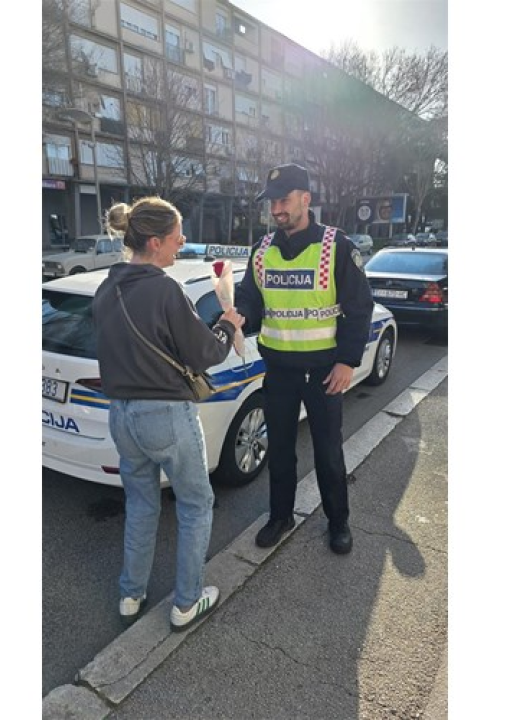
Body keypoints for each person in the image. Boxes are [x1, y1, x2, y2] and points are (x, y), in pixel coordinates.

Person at [92, 196, 245, 631]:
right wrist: (228, 323)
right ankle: (187, 601)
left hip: (121, 415)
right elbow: (205, 353)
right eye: (177, 238)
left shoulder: (106, 288)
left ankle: (130, 593)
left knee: (141, 504)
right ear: (155, 242)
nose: (182, 244)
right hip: (165, 413)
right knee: (196, 503)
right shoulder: (163, 288)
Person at [236, 164, 374, 554]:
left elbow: (360, 307)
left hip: (324, 372)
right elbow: (252, 300)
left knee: (328, 452)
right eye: (272, 202)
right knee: (278, 451)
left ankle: (338, 522)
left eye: (283, 200)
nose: (276, 209)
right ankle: (280, 516)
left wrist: (348, 361)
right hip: (279, 371)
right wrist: (239, 315)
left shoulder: (336, 246)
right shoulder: (262, 251)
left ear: (305, 199)